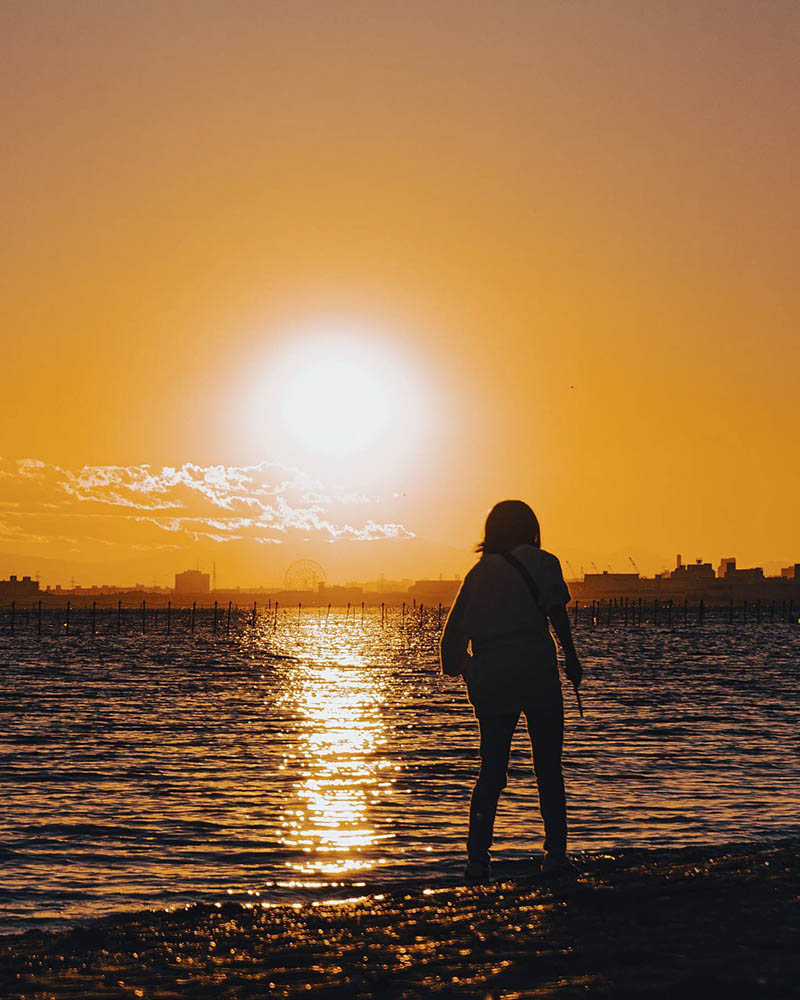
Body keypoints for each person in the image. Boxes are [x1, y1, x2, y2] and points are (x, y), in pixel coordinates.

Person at [439, 500, 583, 883]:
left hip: (493, 680)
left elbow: (451, 646)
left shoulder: (478, 573)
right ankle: (555, 856)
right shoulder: (544, 563)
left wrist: (470, 669)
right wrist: (572, 659)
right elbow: (558, 617)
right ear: (530, 528)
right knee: (548, 768)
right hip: (538, 674)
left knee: (492, 771)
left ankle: (477, 861)